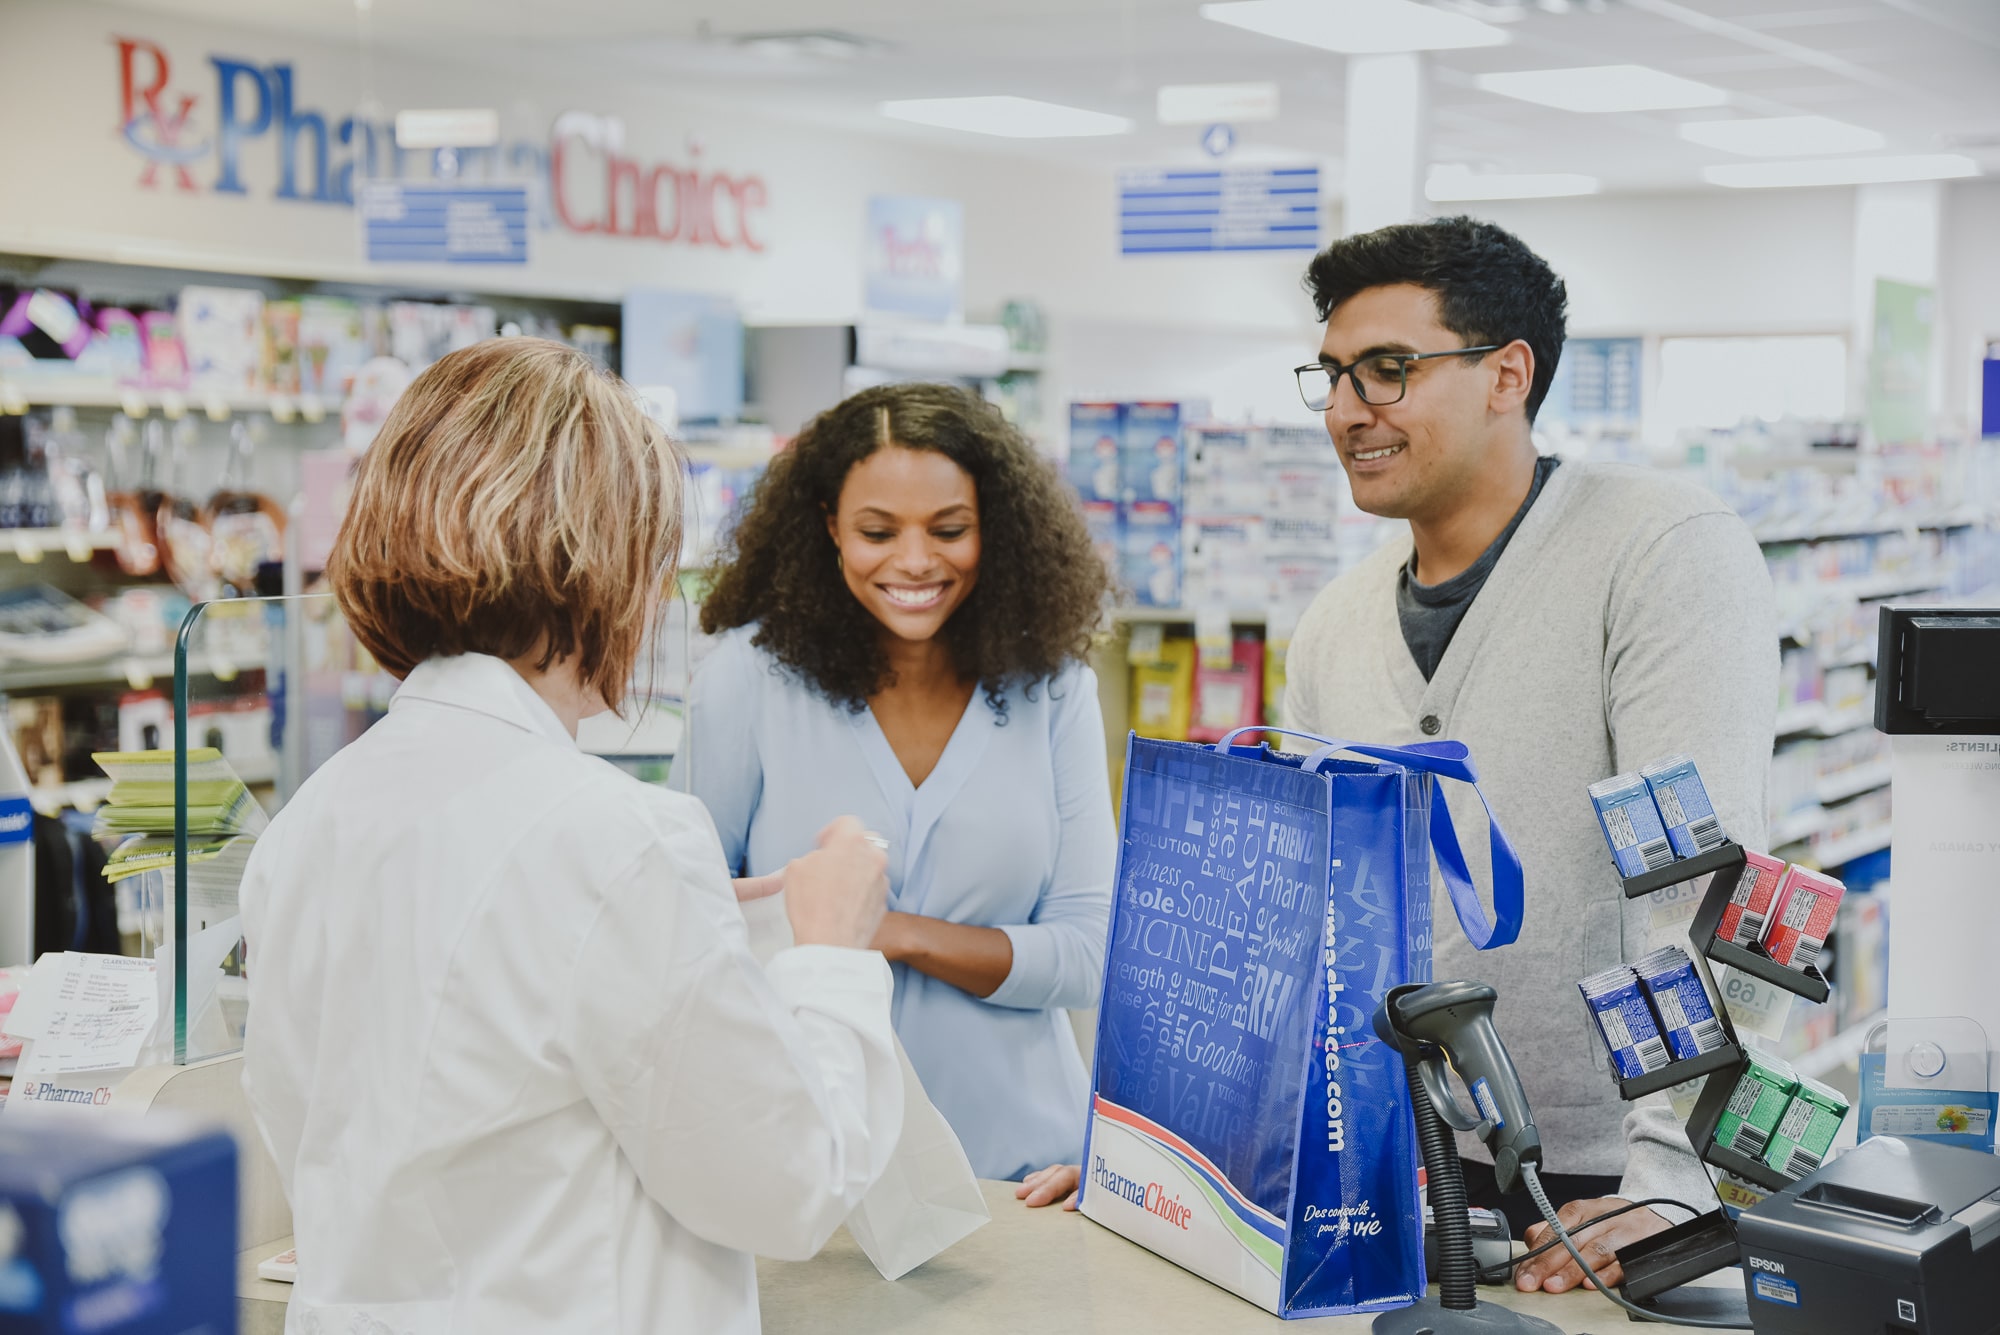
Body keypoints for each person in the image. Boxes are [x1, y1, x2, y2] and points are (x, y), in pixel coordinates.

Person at [240, 338, 905, 1335]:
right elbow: (788, 1184)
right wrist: (832, 958)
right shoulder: (613, 838)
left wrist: (682, 931)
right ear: (594, 568)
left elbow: (357, 1122)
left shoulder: (309, 825)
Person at [1283, 216, 1778, 1293]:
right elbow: (1315, 923)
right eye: (1328, 375)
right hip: (1404, 1173)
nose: (1344, 408)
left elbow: (1706, 887)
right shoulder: (1332, 623)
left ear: (1508, 372)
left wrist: (1669, 1183)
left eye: (1387, 370)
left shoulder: (1655, 552)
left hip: (1606, 1179)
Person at [677, 381, 1115, 1182]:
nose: (915, 561)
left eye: (950, 529)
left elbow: (1090, 953)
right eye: (878, 531)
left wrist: (889, 930)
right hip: (808, 1168)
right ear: (829, 528)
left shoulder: (1052, 690)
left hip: (1023, 1175)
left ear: (998, 529)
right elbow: (685, 922)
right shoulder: (747, 682)